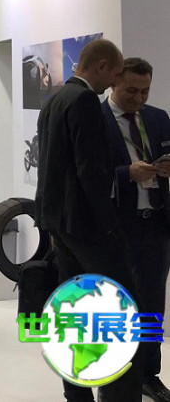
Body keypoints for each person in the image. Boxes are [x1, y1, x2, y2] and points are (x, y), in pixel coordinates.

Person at [35, 38, 144, 402]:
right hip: (90, 228)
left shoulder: (53, 101)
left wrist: (49, 223)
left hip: (62, 226)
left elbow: (49, 170)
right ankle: (119, 396)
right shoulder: (83, 101)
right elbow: (90, 172)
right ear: (101, 66)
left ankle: (76, 393)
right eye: (115, 75)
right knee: (121, 311)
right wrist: (110, 225)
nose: (114, 83)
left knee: (76, 313)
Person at [101, 57, 170, 402]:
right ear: (114, 81)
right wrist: (126, 174)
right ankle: (112, 377)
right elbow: (86, 174)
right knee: (115, 306)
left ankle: (148, 374)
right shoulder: (95, 120)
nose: (138, 98)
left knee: (152, 305)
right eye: (131, 90)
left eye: (145, 91)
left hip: (155, 226)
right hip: (116, 229)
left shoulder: (158, 118)